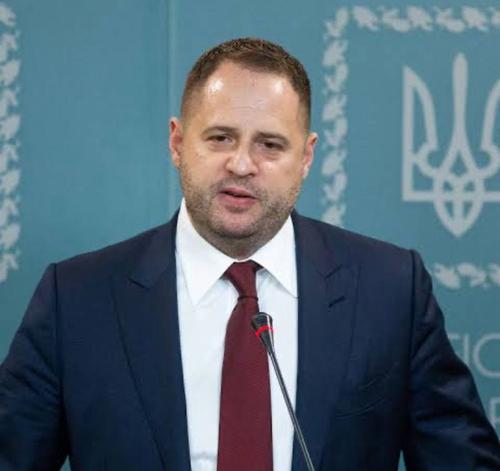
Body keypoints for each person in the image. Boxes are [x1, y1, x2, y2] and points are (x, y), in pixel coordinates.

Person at [1, 37, 499, 471]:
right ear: (177, 142)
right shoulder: (77, 300)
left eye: (270, 145)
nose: (241, 164)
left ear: (306, 157)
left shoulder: (390, 289)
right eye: (220, 138)